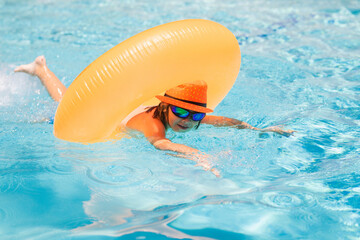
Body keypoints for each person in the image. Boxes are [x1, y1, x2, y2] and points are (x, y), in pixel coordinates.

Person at [15, 56, 295, 177]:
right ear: (167, 107)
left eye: (195, 114)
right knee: (63, 105)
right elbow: (161, 143)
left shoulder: (188, 117)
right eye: (181, 111)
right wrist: (197, 155)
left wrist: (259, 128)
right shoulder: (151, 124)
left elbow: (224, 121)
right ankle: (40, 68)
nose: (187, 120)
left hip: (124, 105)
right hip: (105, 118)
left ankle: (40, 67)